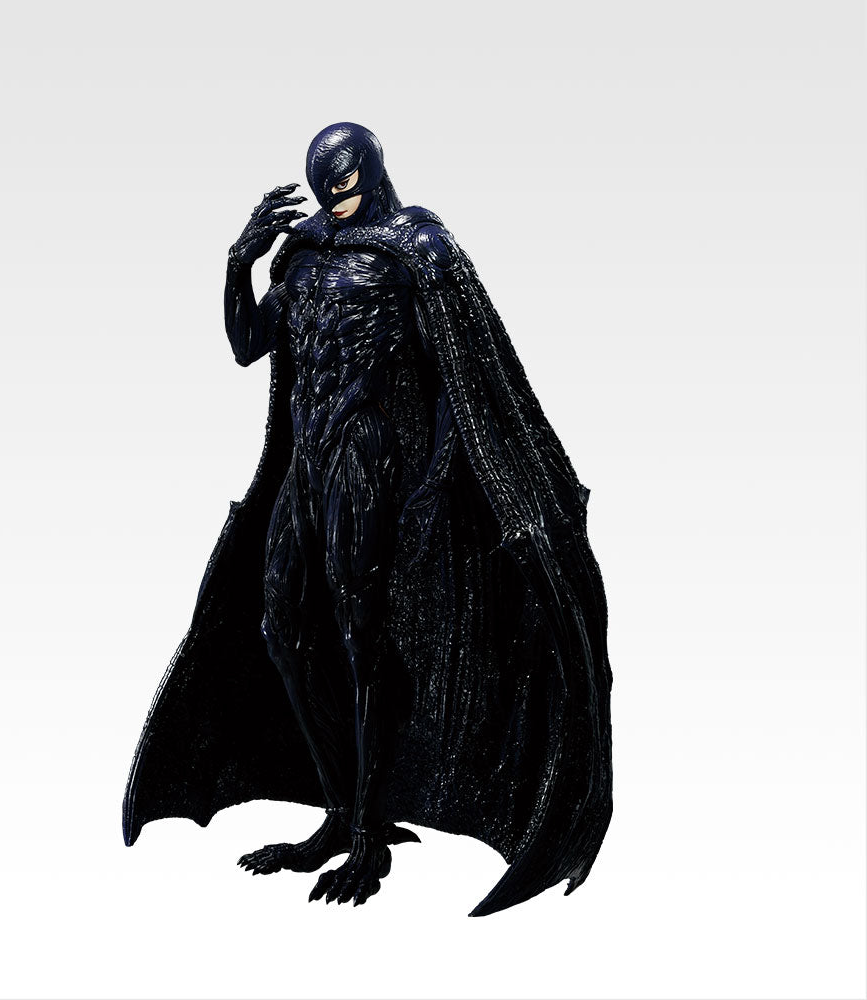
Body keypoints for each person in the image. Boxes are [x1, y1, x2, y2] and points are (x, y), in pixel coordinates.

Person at [123, 123, 613, 916]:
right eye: (324, 187)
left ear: (373, 172)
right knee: (282, 630)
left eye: (345, 184)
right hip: (308, 468)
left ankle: (364, 838)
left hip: (369, 466)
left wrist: (436, 483)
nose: (334, 199)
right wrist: (238, 261)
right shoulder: (306, 252)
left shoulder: (419, 248)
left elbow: (467, 378)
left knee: (361, 646)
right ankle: (340, 811)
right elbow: (249, 345)